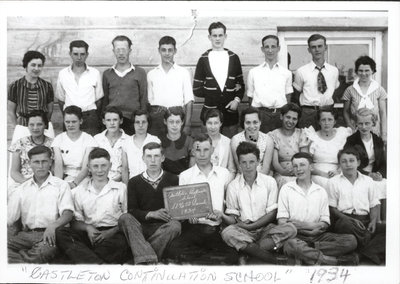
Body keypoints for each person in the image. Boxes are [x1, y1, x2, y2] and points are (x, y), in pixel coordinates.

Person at [166, 133, 238, 264]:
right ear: (193, 151)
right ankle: (205, 258)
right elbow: (181, 207)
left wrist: (221, 215)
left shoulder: (224, 174)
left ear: (212, 150)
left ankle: (202, 259)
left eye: (206, 149)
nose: (202, 154)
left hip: (215, 227)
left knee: (232, 256)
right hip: (193, 227)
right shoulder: (185, 176)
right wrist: (188, 215)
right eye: (198, 150)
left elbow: (229, 204)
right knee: (172, 250)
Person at [221, 142, 297, 264]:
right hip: (243, 231)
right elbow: (233, 218)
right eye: (244, 162)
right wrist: (223, 216)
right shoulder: (233, 186)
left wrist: (252, 226)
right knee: (227, 233)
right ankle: (268, 258)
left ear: (258, 161)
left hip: (265, 229)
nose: (248, 166)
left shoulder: (269, 182)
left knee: (291, 228)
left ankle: (247, 251)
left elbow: (272, 214)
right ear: (239, 164)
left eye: (251, 162)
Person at [278, 152, 358, 265]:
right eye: (295, 166)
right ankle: (332, 261)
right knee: (290, 244)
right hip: (296, 235)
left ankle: (306, 252)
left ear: (311, 167)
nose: (298, 169)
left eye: (302, 165)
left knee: (351, 241)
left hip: (317, 235)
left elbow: (325, 222)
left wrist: (306, 226)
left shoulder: (320, 191)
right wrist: (302, 229)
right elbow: (282, 222)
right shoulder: (286, 189)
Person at [56, 148, 130, 264]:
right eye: (95, 166)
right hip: (89, 233)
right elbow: (75, 223)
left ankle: (85, 260)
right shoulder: (79, 191)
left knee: (123, 241)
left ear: (110, 166)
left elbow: (127, 219)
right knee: (61, 233)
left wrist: (110, 232)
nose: (100, 170)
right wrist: (88, 228)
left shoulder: (121, 188)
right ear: (88, 168)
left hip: (113, 233)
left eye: (103, 166)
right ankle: (99, 264)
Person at [8, 145, 74, 263]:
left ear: (50, 162)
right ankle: (26, 260)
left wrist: (53, 226)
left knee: (45, 251)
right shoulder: (22, 188)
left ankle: (22, 262)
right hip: (26, 234)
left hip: (50, 234)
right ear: (30, 163)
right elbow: (11, 218)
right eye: (36, 162)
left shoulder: (61, 185)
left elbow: (68, 213)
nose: (40, 166)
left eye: (44, 161)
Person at [118, 142, 181, 264]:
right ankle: (150, 259)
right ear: (143, 158)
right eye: (149, 156)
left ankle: (142, 258)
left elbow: (178, 207)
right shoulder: (134, 182)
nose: (153, 160)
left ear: (162, 158)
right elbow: (132, 211)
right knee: (125, 218)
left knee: (176, 225)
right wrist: (151, 214)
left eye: (156, 156)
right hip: (140, 227)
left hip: (163, 228)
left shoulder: (174, 179)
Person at [327, 147, 386, 265]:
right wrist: (348, 219)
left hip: (365, 220)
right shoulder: (333, 182)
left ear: (358, 162)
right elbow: (332, 208)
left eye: (351, 160)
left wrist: (373, 221)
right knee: (346, 226)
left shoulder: (368, 181)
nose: (348, 164)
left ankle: (359, 255)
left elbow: (374, 204)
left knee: (391, 231)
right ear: (339, 164)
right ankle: (369, 248)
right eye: (344, 161)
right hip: (344, 220)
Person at [193, 22, 245, 138]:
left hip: (230, 114)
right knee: (208, 146)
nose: (217, 39)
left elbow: (240, 85)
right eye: (214, 35)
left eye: (220, 35)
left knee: (230, 147)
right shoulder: (203, 59)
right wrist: (215, 96)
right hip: (209, 114)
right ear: (209, 37)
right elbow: (196, 89)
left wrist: (236, 100)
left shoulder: (233, 58)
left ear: (225, 36)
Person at [343, 108, 386, 220]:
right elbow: (349, 163)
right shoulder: (351, 140)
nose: (364, 127)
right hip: (357, 173)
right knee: (372, 185)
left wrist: (379, 174)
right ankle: (373, 220)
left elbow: (383, 162)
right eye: (360, 123)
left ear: (373, 123)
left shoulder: (378, 140)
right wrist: (369, 175)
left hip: (375, 173)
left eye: (367, 123)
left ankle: (384, 221)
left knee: (385, 184)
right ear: (356, 124)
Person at [147, 36, 194, 137]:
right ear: (159, 51)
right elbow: (149, 101)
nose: (167, 53)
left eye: (170, 50)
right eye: (163, 50)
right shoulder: (151, 74)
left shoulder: (183, 72)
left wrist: (187, 125)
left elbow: (189, 101)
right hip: (157, 120)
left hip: (176, 118)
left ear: (175, 51)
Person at [247, 35, 293, 133]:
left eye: (273, 46)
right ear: (262, 49)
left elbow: (288, 96)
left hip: (279, 115)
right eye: (267, 47)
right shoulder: (254, 72)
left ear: (278, 48)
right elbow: (250, 97)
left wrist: (283, 115)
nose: (270, 50)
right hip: (260, 115)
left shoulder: (286, 73)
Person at [56, 40, 103, 136]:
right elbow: (61, 100)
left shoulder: (95, 73)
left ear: (87, 54)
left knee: (91, 147)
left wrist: (91, 114)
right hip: (70, 118)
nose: (79, 57)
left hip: (90, 118)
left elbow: (99, 100)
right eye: (75, 54)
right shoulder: (63, 74)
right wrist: (69, 113)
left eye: (82, 54)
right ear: (70, 54)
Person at [102, 35, 148, 135]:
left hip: (132, 120)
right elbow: (105, 100)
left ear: (130, 51)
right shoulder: (107, 74)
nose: (121, 53)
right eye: (118, 50)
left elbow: (143, 98)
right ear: (113, 51)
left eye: (124, 49)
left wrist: (141, 120)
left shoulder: (139, 72)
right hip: (113, 120)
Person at [293, 34, 340, 129]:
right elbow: (297, 94)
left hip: (327, 112)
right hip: (308, 113)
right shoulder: (301, 71)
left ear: (325, 48)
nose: (317, 50)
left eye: (320, 46)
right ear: (309, 50)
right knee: (307, 141)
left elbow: (333, 92)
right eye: (313, 47)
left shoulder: (334, 71)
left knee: (326, 141)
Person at [304, 106, 352, 189]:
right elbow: (307, 162)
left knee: (340, 184)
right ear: (319, 122)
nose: (326, 123)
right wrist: (323, 174)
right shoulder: (312, 136)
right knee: (325, 182)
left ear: (335, 121)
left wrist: (338, 171)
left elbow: (347, 157)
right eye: (323, 120)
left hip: (337, 172)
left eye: (330, 119)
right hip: (317, 174)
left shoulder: (341, 134)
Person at [342, 56, 387, 143]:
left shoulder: (379, 89)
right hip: (355, 129)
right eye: (361, 70)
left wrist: (384, 133)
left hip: (374, 130)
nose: (363, 73)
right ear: (356, 71)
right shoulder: (350, 90)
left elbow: (382, 112)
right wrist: (350, 126)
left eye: (367, 70)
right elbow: (345, 111)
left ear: (372, 71)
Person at [9, 111, 53, 195]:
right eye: (31, 124)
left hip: (47, 183)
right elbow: (14, 172)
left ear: (45, 125)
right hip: (24, 182)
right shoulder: (20, 143)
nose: (35, 128)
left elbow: (55, 170)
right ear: (27, 126)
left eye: (39, 124)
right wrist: (26, 183)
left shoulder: (53, 144)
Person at [52, 105, 97, 189]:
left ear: (80, 121)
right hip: (64, 178)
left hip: (83, 178)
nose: (70, 125)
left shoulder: (89, 139)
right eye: (67, 122)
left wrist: (74, 184)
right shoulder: (58, 139)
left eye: (74, 121)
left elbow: (86, 167)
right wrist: (59, 184)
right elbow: (58, 165)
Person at [8, 51, 54, 128]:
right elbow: (10, 110)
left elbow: (50, 110)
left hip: (42, 127)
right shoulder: (15, 86)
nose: (36, 68)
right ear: (26, 65)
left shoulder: (47, 86)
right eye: (33, 65)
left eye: (39, 65)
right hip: (22, 125)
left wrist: (44, 124)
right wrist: (17, 128)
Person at [268, 103, 308, 188]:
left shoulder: (301, 134)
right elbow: (275, 162)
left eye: (294, 119)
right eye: (288, 117)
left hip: (300, 171)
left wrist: (297, 171)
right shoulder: (273, 135)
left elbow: (305, 158)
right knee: (285, 183)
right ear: (281, 116)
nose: (290, 121)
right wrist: (284, 172)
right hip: (281, 173)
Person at [231, 107, 274, 175]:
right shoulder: (236, 140)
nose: (252, 126)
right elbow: (240, 168)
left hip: (263, 176)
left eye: (255, 122)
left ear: (260, 122)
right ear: (243, 123)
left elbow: (266, 168)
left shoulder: (268, 140)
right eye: (248, 123)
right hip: (243, 176)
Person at [121, 109, 160, 183]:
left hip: (152, 182)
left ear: (148, 123)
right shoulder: (126, 142)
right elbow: (125, 169)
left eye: (144, 122)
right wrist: (126, 189)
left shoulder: (155, 140)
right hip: (133, 184)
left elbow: (158, 166)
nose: (141, 125)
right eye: (137, 122)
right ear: (133, 124)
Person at [94, 107, 129, 182]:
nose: (112, 123)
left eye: (115, 120)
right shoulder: (97, 139)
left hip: (122, 180)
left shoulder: (129, 140)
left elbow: (127, 167)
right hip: (100, 180)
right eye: (108, 120)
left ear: (121, 121)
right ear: (103, 121)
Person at [160, 106, 194, 175]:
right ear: (165, 121)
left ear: (182, 122)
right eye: (171, 122)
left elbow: (192, 169)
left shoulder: (189, 141)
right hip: (165, 181)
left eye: (177, 122)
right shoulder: (159, 141)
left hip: (184, 181)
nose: (174, 125)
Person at [204, 109, 236, 180]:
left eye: (216, 123)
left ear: (221, 123)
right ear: (205, 123)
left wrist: (224, 184)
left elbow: (232, 170)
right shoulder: (200, 141)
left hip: (222, 180)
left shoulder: (228, 142)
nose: (213, 127)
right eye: (209, 123)